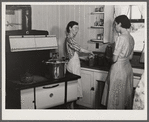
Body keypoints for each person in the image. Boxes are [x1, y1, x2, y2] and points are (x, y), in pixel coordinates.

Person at [101, 15, 135, 109]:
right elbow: (130, 57)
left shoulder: (121, 38)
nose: (114, 27)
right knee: (123, 96)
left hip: (118, 70)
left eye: (115, 24)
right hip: (127, 69)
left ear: (120, 24)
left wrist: (109, 58)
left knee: (115, 98)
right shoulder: (131, 38)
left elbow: (114, 59)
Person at [65, 21, 94, 108]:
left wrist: (83, 58)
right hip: (73, 65)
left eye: (78, 28)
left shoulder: (71, 39)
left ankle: (72, 108)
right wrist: (90, 52)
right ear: (70, 28)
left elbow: (73, 53)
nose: (77, 30)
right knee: (74, 86)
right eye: (75, 28)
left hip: (74, 63)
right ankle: (71, 108)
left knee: (75, 86)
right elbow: (79, 49)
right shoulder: (69, 39)